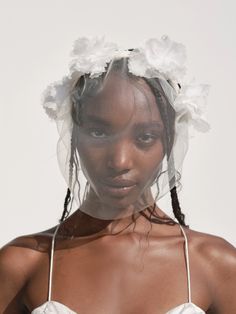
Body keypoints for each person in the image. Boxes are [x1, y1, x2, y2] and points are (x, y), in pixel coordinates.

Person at [0, 36, 235, 314]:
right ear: (75, 137)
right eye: (99, 133)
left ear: (169, 142)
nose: (120, 161)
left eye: (145, 137)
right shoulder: (24, 264)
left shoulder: (216, 265)